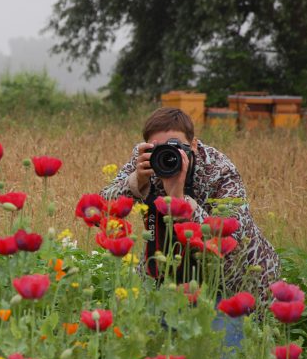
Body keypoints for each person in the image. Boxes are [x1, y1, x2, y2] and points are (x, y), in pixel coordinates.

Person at [101, 107, 281, 301]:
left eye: (176, 147)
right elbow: (102, 209)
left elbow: (230, 237)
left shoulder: (220, 170)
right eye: (159, 148)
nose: (168, 155)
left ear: (193, 144)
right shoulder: (148, 160)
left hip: (234, 280)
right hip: (167, 265)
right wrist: (137, 180)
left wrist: (180, 202)